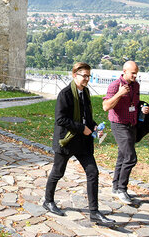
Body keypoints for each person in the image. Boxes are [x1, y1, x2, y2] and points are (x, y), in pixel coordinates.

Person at [42, 62, 114, 224]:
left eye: (89, 76)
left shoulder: (86, 92)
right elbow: (60, 119)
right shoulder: (65, 94)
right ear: (75, 75)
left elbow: (86, 117)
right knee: (58, 172)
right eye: (84, 75)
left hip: (83, 142)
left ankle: (94, 212)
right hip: (66, 140)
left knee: (93, 172)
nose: (87, 79)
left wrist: (94, 126)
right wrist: (82, 128)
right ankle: (48, 201)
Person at [103, 60, 149, 205]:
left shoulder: (136, 85)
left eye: (137, 73)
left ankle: (116, 187)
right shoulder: (115, 85)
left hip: (132, 124)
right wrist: (119, 94)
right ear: (124, 71)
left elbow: (135, 103)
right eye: (133, 73)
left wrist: (143, 108)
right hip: (119, 124)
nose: (135, 76)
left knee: (123, 156)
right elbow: (106, 106)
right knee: (131, 158)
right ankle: (122, 189)